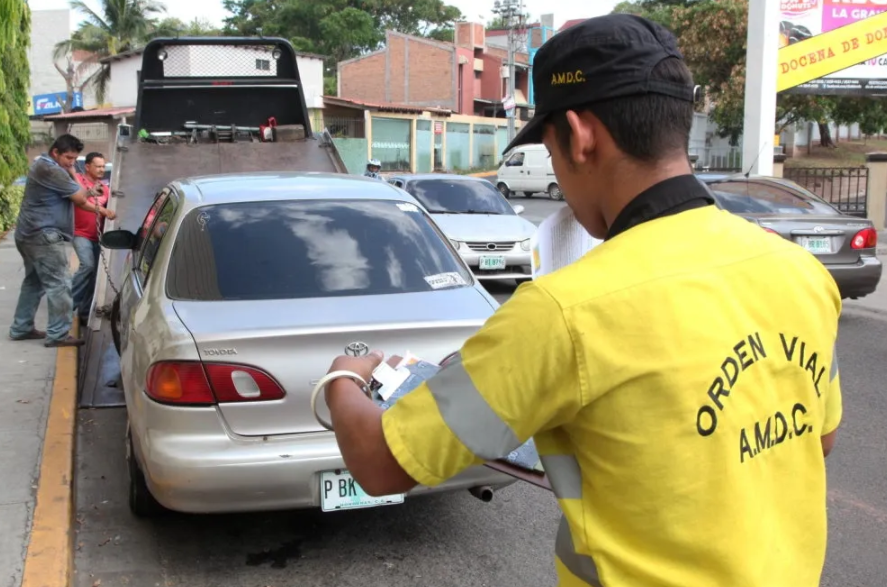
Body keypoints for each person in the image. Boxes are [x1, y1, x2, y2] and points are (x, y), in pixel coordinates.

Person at [317, 14, 842, 587]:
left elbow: (380, 463)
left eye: (550, 149)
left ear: (581, 135)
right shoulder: (799, 271)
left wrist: (345, 376)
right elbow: (819, 436)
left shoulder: (566, 312)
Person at [9, 134, 116, 348]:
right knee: (59, 284)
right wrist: (73, 173)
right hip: (43, 236)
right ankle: (58, 334)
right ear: (55, 152)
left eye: (73, 158)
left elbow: (81, 200)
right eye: (67, 157)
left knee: (34, 282)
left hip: (29, 234)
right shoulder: (51, 169)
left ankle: (21, 328)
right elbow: (79, 198)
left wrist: (101, 208)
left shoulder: (46, 166)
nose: (70, 162)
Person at [72, 152, 110, 325]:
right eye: (98, 166)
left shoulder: (105, 188)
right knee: (87, 266)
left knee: (93, 276)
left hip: (96, 237)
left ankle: (84, 313)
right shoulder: (78, 181)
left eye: (103, 166)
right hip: (80, 233)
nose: (102, 169)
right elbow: (80, 199)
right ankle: (65, 306)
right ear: (87, 166)